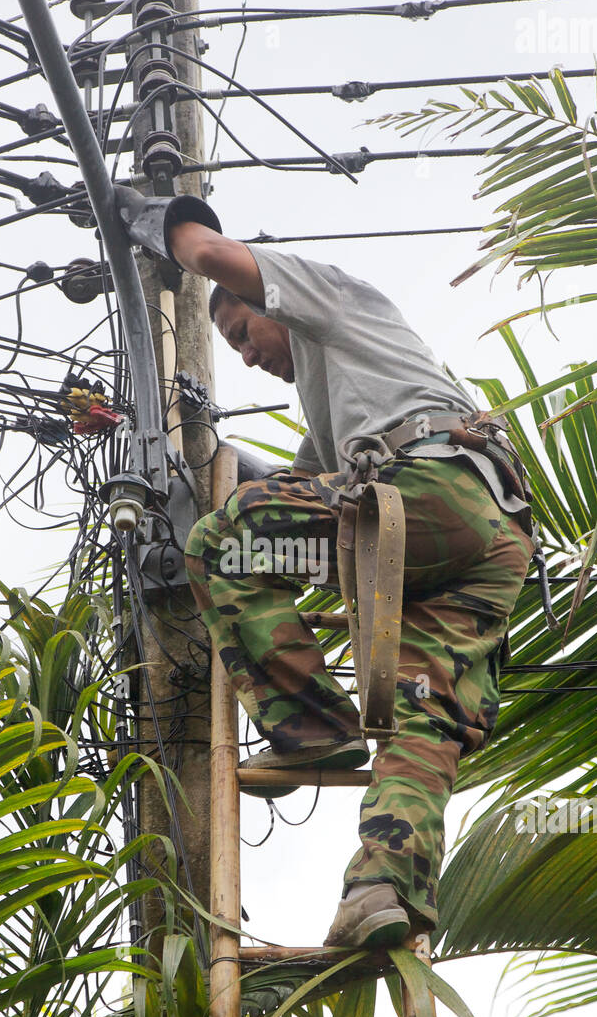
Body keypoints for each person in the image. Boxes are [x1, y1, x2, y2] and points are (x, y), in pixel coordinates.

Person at [119, 194, 535, 949]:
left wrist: (157, 222)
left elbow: (211, 256)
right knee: (424, 717)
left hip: (425, 496)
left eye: (244, 332)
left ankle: (313, 728)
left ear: (274, 295)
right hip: (488, 536)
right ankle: (381, 888)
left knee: (221, 543)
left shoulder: (329, 293)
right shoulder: (345, 404)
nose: (246, 355)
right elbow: (291, 497)